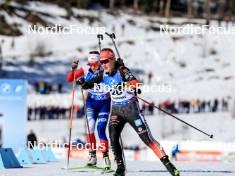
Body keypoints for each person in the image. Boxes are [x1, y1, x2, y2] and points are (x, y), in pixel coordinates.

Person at [78, 48, 180, 176]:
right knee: (113, 137)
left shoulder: (122, 70)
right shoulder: (102, 74)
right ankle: (120, 168)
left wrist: (123, 86)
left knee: (147, 139)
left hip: (131, 110)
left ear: (112, 60)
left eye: (105, 61)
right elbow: (89, 84)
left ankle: (169, 165)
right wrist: (83, 82)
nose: (103, 64)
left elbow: (135, 83)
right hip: (116, 111)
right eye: (101, 62)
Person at [66, 51, 111, 170]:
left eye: (94, 64)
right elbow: (70, 79)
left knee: (101, 129)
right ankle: (93, 156)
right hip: (91, 102)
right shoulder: (86, 69)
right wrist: (73, 69)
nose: (92, 66)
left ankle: (106, 157)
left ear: (99, 62)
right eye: (90, 64)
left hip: (104, 103)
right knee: (90, 128)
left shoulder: (105, 70)